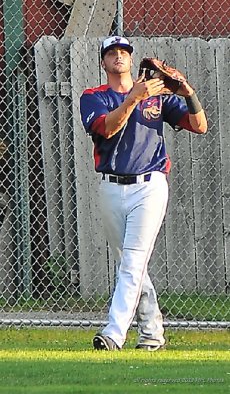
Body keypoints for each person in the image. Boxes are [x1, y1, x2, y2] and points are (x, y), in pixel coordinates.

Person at [80, 36, 208, 351]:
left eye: (123, 51)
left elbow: (199, 125)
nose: (118, 56)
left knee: (134, 260)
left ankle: (113, 334)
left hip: (149, 186)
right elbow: (107, 128)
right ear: (103, 63)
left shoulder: (158, 97)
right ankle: (151, 334)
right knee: (131, 263)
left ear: (131, 59)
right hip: (111, 186)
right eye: (111, 53)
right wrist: (134, 98)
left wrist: (188, 92)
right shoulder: (94, 96)